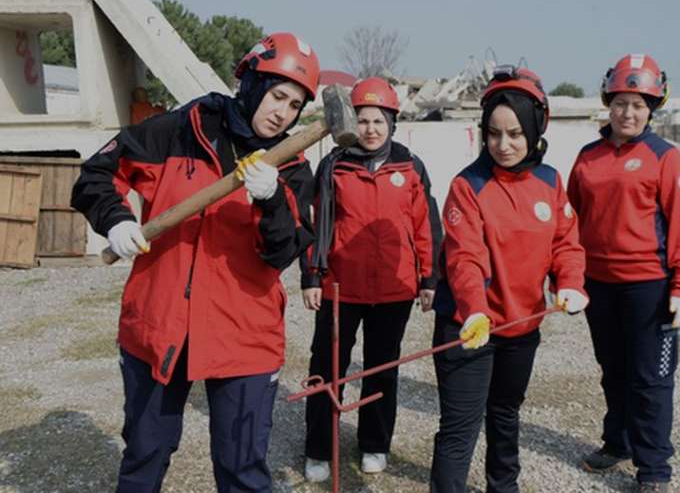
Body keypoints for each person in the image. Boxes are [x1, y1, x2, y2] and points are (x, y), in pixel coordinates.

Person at [71, 32, 320, 493]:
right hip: (159, 322)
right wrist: (117, 220)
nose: (282, 112)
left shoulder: (292, 166)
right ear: (251, 83)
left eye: (295, 105)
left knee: (242, 467)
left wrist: (271, 203)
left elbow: (282, 252)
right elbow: (97, 173)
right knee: (145, 454)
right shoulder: (181, 127)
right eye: (278, 95)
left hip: (244, 333)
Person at [429, 66, 588, 493]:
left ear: (536, 129)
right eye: (494, 134)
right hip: (470, 326)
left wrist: (570, 281)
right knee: (460, 429)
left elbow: (565, 242)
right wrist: (474, 311)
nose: (503, 145)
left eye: (515, 133)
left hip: (522, 327)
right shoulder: (468, 186)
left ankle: (505, 487)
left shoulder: (550, 181)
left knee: (505, 414)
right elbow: (464, 258)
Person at [567, 54, 680, 493]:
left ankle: (654, 468)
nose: (628, 112)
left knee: (651, 380)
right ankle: (617, 441)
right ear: (609, 103)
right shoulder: (587, 158)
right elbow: (570, 222)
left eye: (639, 104)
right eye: (622, 102)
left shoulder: (666, 158)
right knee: (613, 369)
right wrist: (565, 276)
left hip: (650, 288)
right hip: (598, 286)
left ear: (652, 108)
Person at [299, 77, 443, 482]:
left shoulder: (410, 166)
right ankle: (318, 449)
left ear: (392, 122)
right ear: (351, 123)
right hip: (341, 288)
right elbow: (319, 222)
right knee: (328, 368)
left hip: (394, 290)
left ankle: (375, 445)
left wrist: (429, 278)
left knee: (382, 370)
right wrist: (312, 275)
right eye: (362, 120)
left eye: (378, 120)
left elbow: (425, 226)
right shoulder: (334, 164)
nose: (370, 129)